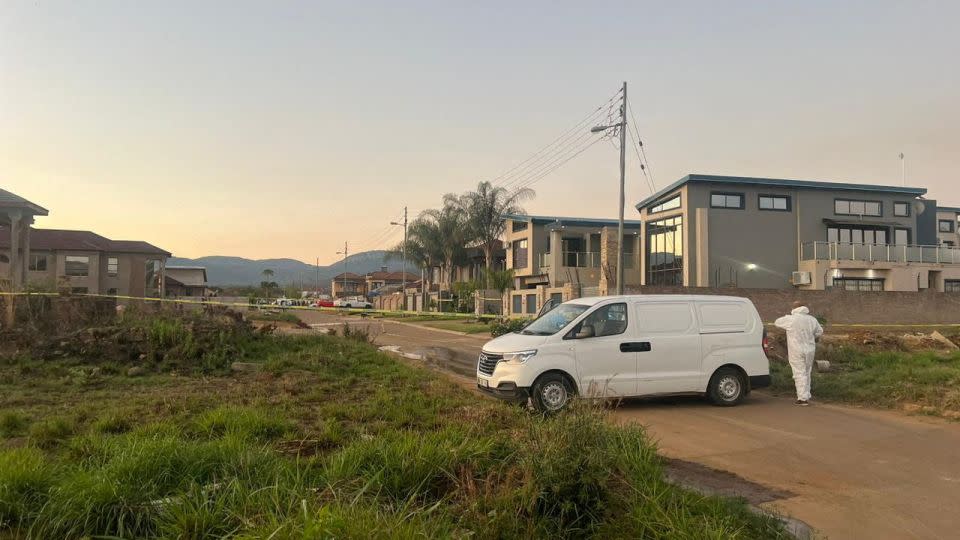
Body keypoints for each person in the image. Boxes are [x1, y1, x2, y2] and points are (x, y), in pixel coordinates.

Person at [774, 301, 823, 406]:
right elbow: (819, 331)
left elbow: (777, 322)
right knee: (806, 372)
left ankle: (802, 399)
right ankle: (807, 394)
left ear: (794, 308)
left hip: (796, 349)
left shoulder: (791, 319)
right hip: (810, 350)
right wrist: (812, 337)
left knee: (799, 373)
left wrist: (788, 317)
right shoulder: (812, 319)